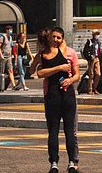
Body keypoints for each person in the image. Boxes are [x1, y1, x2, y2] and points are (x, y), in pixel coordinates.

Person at [37, 27, 80, 173]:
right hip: (52, 95)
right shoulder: (45, 54)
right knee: (53, 131)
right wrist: (59, 67)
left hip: (68, 95)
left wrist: (70, 81)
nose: (56, 40)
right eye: (53, 37)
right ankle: (54, 163)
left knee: (70, 131)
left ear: (63, 39)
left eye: (58, 37)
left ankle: (72, 162)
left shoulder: (70, 53)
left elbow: (77, 75)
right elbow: (38, 72)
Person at [0, 25, 17, 90]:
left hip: (8, 57)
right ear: (6, 30)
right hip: (2, 57)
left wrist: (10, 54)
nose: (11, 31)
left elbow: (10, 47)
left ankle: (14, 86)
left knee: (10, 71)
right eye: (9, 30)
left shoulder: (10, 37)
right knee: (1, 72)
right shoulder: (2, 37)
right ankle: (0, 86)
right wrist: (1, 55)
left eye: (11, 30)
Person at [85, 29, 101, 95]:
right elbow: (85, 51)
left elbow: (99, 50)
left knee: (98, 74)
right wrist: (89, 57)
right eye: (96, 34)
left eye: (98, 34)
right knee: (91, 74)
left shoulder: (98, 42)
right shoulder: (89, 42)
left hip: (97, 58)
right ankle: (90, 89)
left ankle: (95, 88)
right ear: (93, 35)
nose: (97, 35)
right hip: (91, 59)